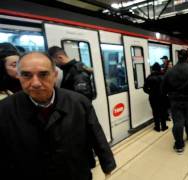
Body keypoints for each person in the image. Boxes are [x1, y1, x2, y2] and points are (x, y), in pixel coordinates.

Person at [0, 52, 116, 180]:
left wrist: (107, 164)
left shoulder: (78, 102)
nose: (35, 83)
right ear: (18, 76)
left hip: (74, 172)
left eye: (43, 74)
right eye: (26, 75)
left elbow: (96, 133)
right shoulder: (4, 109)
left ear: (54, 75)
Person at [143, 63, 168, 132]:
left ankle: (157, 127)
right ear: (160, 68)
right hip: (163, 97)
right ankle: (164, 126)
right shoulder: (164, 76)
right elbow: (167, 87)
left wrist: (150, 92)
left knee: (155, 111)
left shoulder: (149, 77)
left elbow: (145, 89)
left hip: (153, 97)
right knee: (163, 111)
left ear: (153, 69)